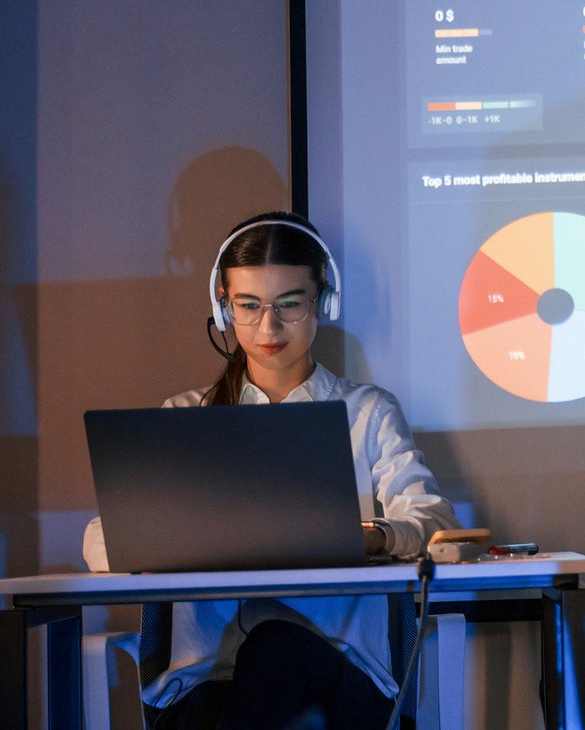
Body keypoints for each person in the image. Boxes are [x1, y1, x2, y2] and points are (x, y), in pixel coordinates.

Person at [83, 211, 459, 730]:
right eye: (248, 306)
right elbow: (101, 540)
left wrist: (373, 537)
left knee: (276, 647)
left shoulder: (367, 413)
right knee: (260, 669)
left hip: (339, 685)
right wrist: (193, 535)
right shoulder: (185, 417)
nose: (268, 326)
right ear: (223, 307)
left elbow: (434, 522)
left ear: (324, 302)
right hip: (205, 688)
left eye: (289, 304)